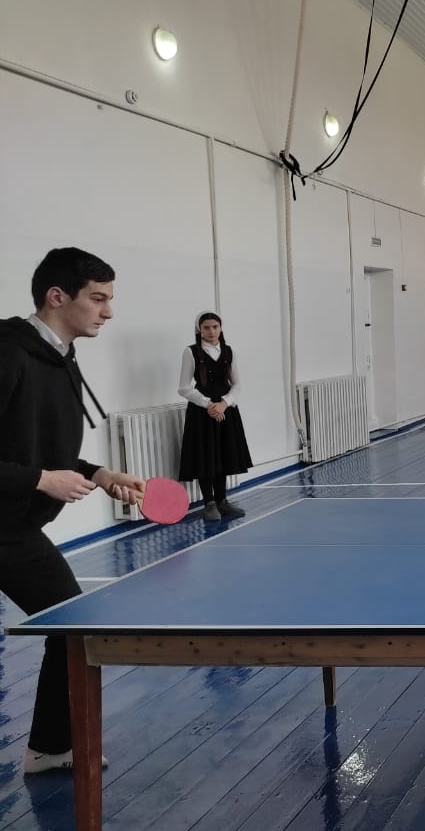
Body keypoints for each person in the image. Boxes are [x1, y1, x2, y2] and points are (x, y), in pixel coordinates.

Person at [0, 247, 145, 773]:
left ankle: (50, 747)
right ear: (57, 297)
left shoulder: (61, 356)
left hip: (13, 528)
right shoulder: (8, 354)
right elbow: (35, 465)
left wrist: (98, 474)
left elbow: (37, 446)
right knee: (74, 625)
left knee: (73, 625)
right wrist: (41, 479)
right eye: (98, 299)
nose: (108, 311)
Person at [177, 312, 253, 522]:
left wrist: (224, 404)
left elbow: (237, 384)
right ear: (199, 330)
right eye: (206, 327)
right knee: (206, 456)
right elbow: (183, 387)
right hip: (201, 412)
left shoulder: (229, 351)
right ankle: (209, 503)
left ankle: (222, 500)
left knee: (223, 454)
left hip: (225, 410)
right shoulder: (191, 352)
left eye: (215, 327)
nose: (211, 331)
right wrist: (208, 405)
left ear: (220, 328)